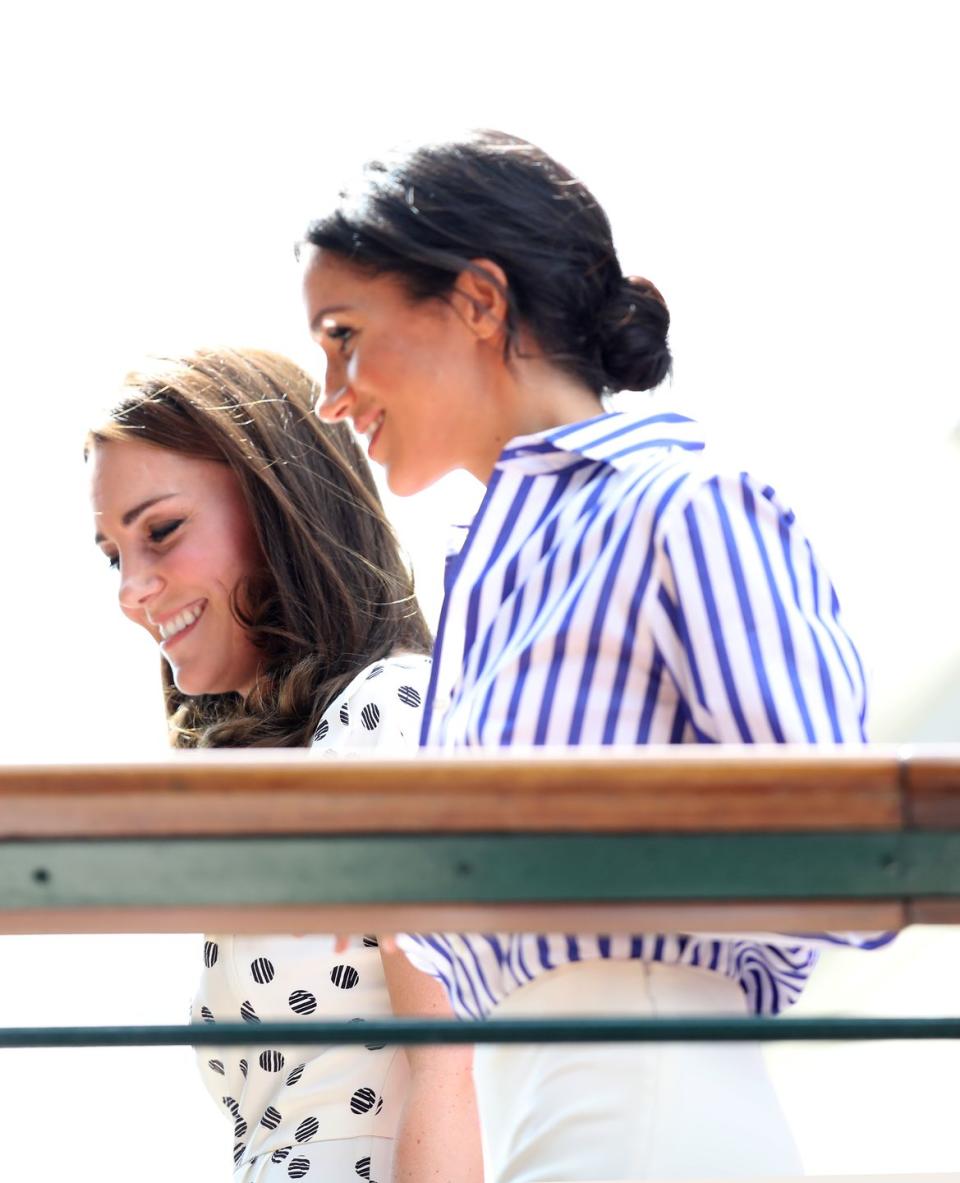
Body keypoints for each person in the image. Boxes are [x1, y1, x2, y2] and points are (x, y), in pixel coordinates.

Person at [299, 131, 892, 1181]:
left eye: (345, 333)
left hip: (646, 1096)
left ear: (480, 301)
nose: (329, 392)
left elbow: (845, 845)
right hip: (540, 1106)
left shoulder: (682, 502)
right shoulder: (490, 565)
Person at [87, 347, 480, 1183]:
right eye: (113, 554)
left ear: (278, 509)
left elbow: (453, 1065)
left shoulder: (389, 713)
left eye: (160, 531)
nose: (130, 587)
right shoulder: (304, 757)